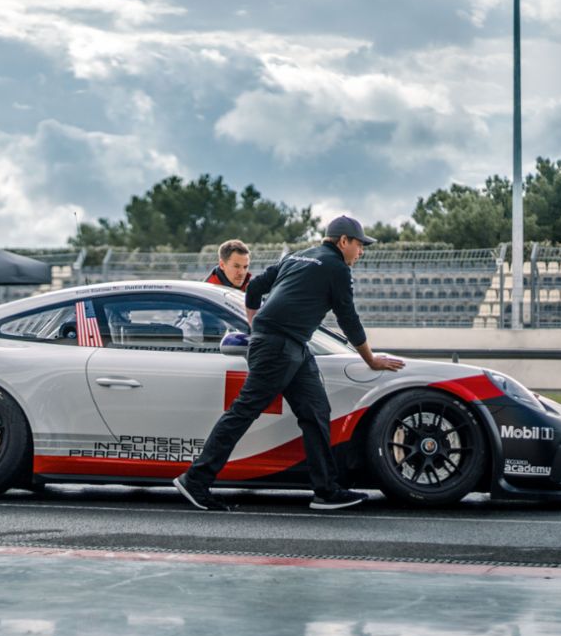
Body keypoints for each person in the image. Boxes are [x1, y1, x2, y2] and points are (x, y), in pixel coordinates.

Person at [174, 215, 405, 512]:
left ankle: (325, 491)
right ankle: (196, 479)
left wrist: (256, 326)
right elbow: (349, 318)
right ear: (343, 241)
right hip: (279, 348)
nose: (361, 252)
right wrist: (371, 359)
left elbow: (255, 287)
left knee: (316, 411)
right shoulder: (337, 268)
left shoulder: (299, 255)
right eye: (359, 245)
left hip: (292, 346)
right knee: (244, 411)